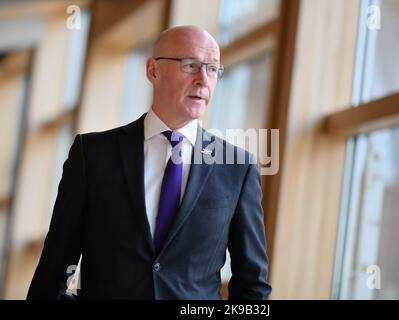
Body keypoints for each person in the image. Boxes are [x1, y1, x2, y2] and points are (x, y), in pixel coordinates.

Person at [27, 25, 271, 300]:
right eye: (190, 65)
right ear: (153, 70)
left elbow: (252, 286)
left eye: (213, 69)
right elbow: (53, 271)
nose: (203, 79)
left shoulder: (238, 168)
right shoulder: (92, 154)